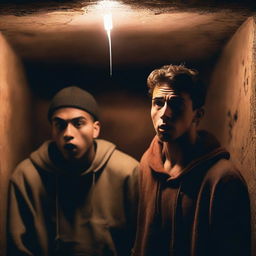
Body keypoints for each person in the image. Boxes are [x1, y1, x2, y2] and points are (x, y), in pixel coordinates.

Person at [132, 65, 251, 256]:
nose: (165, 113)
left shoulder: (223, 180)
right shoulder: (147, 165)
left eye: (176, 103)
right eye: (158, 103)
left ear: (198, 114)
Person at [7, 86, 139, 256]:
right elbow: (18, 248)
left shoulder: (127, 172)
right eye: (60, 125)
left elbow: (143, 241)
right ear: (52, 130)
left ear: (95, 129)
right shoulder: (27, 177)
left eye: (78, 123)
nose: (68, 133)